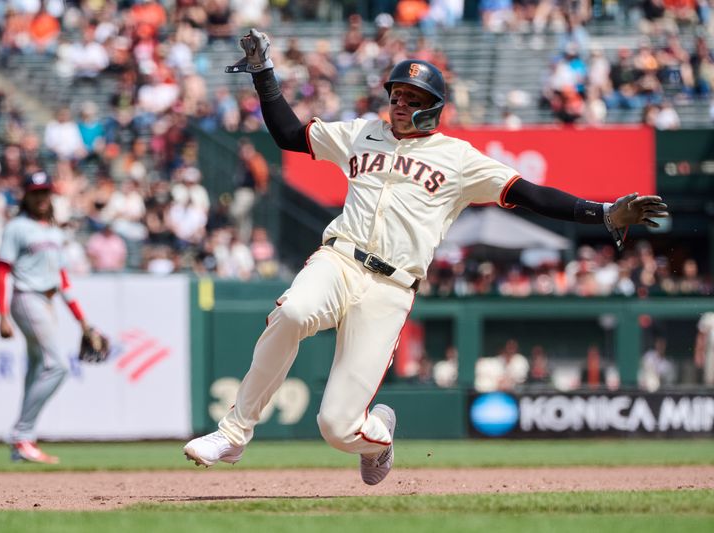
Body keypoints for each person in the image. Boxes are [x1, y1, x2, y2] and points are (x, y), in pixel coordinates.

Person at [182, 30, 669, 485]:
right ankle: (233, 433)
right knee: (292, 311)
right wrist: (265, 74)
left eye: (411, 99)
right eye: (395, 96)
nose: (398, 105)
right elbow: (290, 135)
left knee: (336, 428)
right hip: (341, 259)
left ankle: (379, 434)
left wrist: (602, 213)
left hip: (391, 289)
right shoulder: (362, 132)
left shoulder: (458, 158)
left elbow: (531, 194)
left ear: (433, 108)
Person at [0, 171, 94, 464]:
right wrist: (1, 315)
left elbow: (63, 281)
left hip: (47, 301)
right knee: (58, 366)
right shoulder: (17, 227)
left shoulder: (54, 232)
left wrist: (83, 322)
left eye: (45, 192)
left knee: (38, 366)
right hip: (27, 297)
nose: (41, 197)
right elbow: (1, 270)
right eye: (36, 192)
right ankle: (21, 434)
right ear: (26, 196)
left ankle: (21, 444)